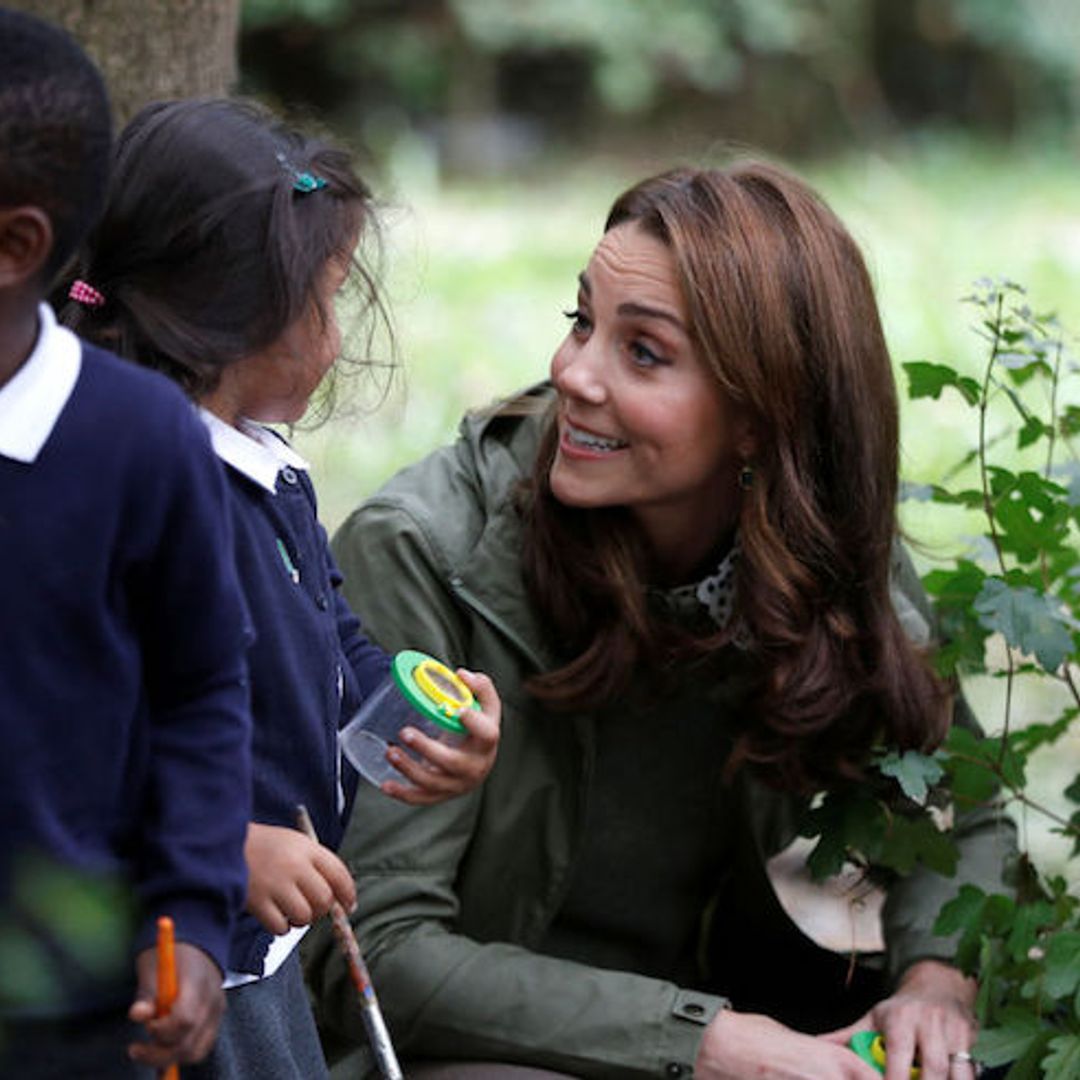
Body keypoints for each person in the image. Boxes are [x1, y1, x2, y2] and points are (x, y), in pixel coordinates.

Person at [307, 162, 1016, 1079]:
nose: (571, 372)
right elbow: (376, 948)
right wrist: (705, 1043)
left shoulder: (822, 552)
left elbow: (962, 804)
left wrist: (934, 981)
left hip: (768, 1023)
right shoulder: (423, 552)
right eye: (582, 322)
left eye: (642, 352)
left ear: (764, 416)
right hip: (498, 1051)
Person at [62, 98, 502, 1079]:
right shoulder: (124, 499)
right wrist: (228, 843)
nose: (339, 337)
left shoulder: (266, 472)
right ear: (233, 314)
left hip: (260, 951)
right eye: (328, 300)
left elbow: (326, 631)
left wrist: (407, 713)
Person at [0, 11, 252, 1078]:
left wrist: (193, 921)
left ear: (15, 247)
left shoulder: (141, 444)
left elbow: (202, 688)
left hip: (69, 1013)